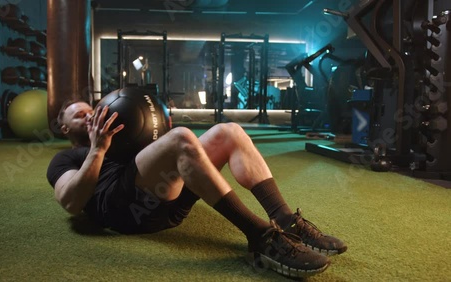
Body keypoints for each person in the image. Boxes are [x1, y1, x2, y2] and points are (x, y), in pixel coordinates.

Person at [47, 99, 347, 278]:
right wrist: (98, 149)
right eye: (80, 115)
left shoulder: (124, 140)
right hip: (126, 213)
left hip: (167, 201)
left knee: (228, 131)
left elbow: (159, 154)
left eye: (91, 110)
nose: (90, 116)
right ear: (64, 128)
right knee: (181, 138)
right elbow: (71, 202)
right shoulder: (64, 159)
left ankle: (286, 220)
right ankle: (262, 238)